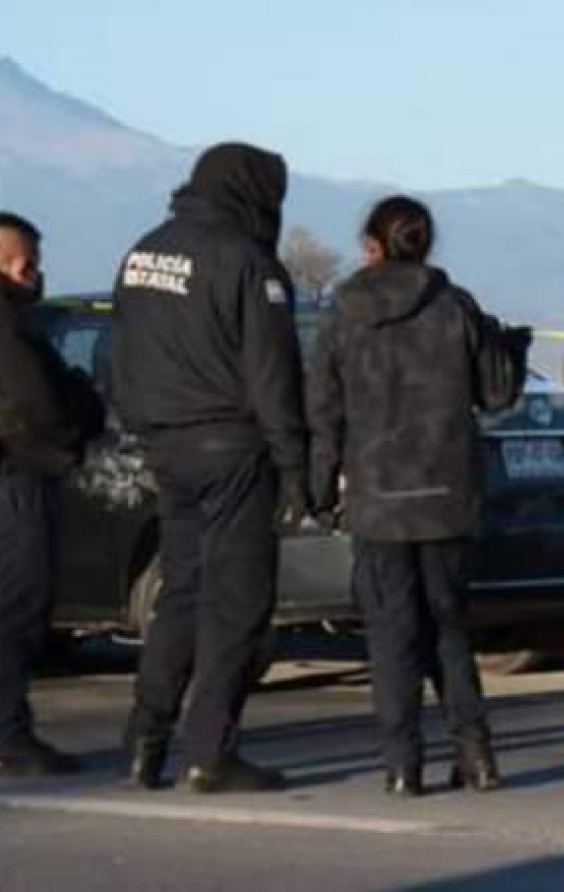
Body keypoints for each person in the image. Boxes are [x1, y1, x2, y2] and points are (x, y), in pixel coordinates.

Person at [307, 196, 529, 797]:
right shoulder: (455, 307)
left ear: (369, 244)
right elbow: (497, 395)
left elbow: (323, 411)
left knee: (391, 636)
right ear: (425, 244)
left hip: (378, 496)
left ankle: (403, 766)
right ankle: (476, 755)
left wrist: (318, 487)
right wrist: (511, 348)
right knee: (449, 628)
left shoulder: (345, 313)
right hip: (447, 493)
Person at [113, 143, 309, 793]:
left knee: (181, 596)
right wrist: (294, 466)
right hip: (233, 451)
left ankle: (144, 741)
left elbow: (123, 355)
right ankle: (210, 752)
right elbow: (272, 375)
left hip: (166, 449)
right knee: (237, 605)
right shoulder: (248, 261)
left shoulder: (143, 252)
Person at [0, 212, 105, 777]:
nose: (35, 278)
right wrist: (80, 409)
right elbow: (41, 405)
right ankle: (9, 736)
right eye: (28, 266)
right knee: (16, 611)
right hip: (17, 481)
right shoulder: (11, 330)